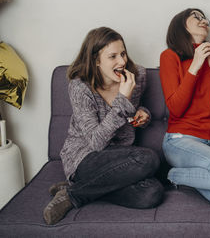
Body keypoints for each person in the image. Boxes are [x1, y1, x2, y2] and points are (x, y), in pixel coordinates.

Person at [43, 27, 164, 225]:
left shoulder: (136, 76)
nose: (122, 61)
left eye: (123, 53)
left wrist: (143, 114)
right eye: (113, 56)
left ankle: (76, 188)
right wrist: (123, 99)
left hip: (120, 156)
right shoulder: (80, 86)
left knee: (152, 192)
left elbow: (132, 110)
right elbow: (95, 142)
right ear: (96, 60)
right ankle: (74, 195)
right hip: (84, 156)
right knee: (148, 158)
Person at [159, 8, 210, 208]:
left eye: (205, 17)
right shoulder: (169, 56)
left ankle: (184, 176)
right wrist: (195, 65)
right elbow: (176, 108)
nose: (204, 20)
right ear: (180, 24)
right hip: (181, 140)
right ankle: (170, 173)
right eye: (196, 16)